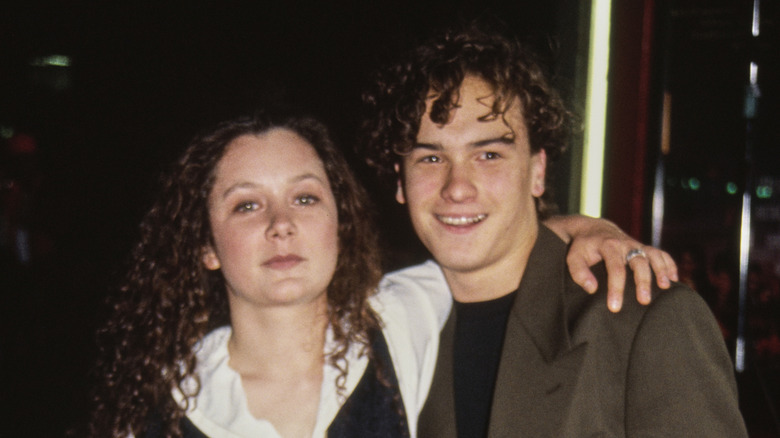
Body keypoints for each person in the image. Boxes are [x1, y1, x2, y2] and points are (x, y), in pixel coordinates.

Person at [86, 107, 679, 438]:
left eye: (305, 198)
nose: (281, 225)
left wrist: (589, 229)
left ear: (340, 222)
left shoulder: (398, 319)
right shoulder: (162, 408)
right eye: (246, 205)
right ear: (205, 245)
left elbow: (491, 241)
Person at [361, 24, 748, 437]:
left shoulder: (646, 323)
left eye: (488, 155)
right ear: (400, 181)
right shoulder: (390, 333)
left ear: (538, 171)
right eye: (431, 159)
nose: (457, 188)